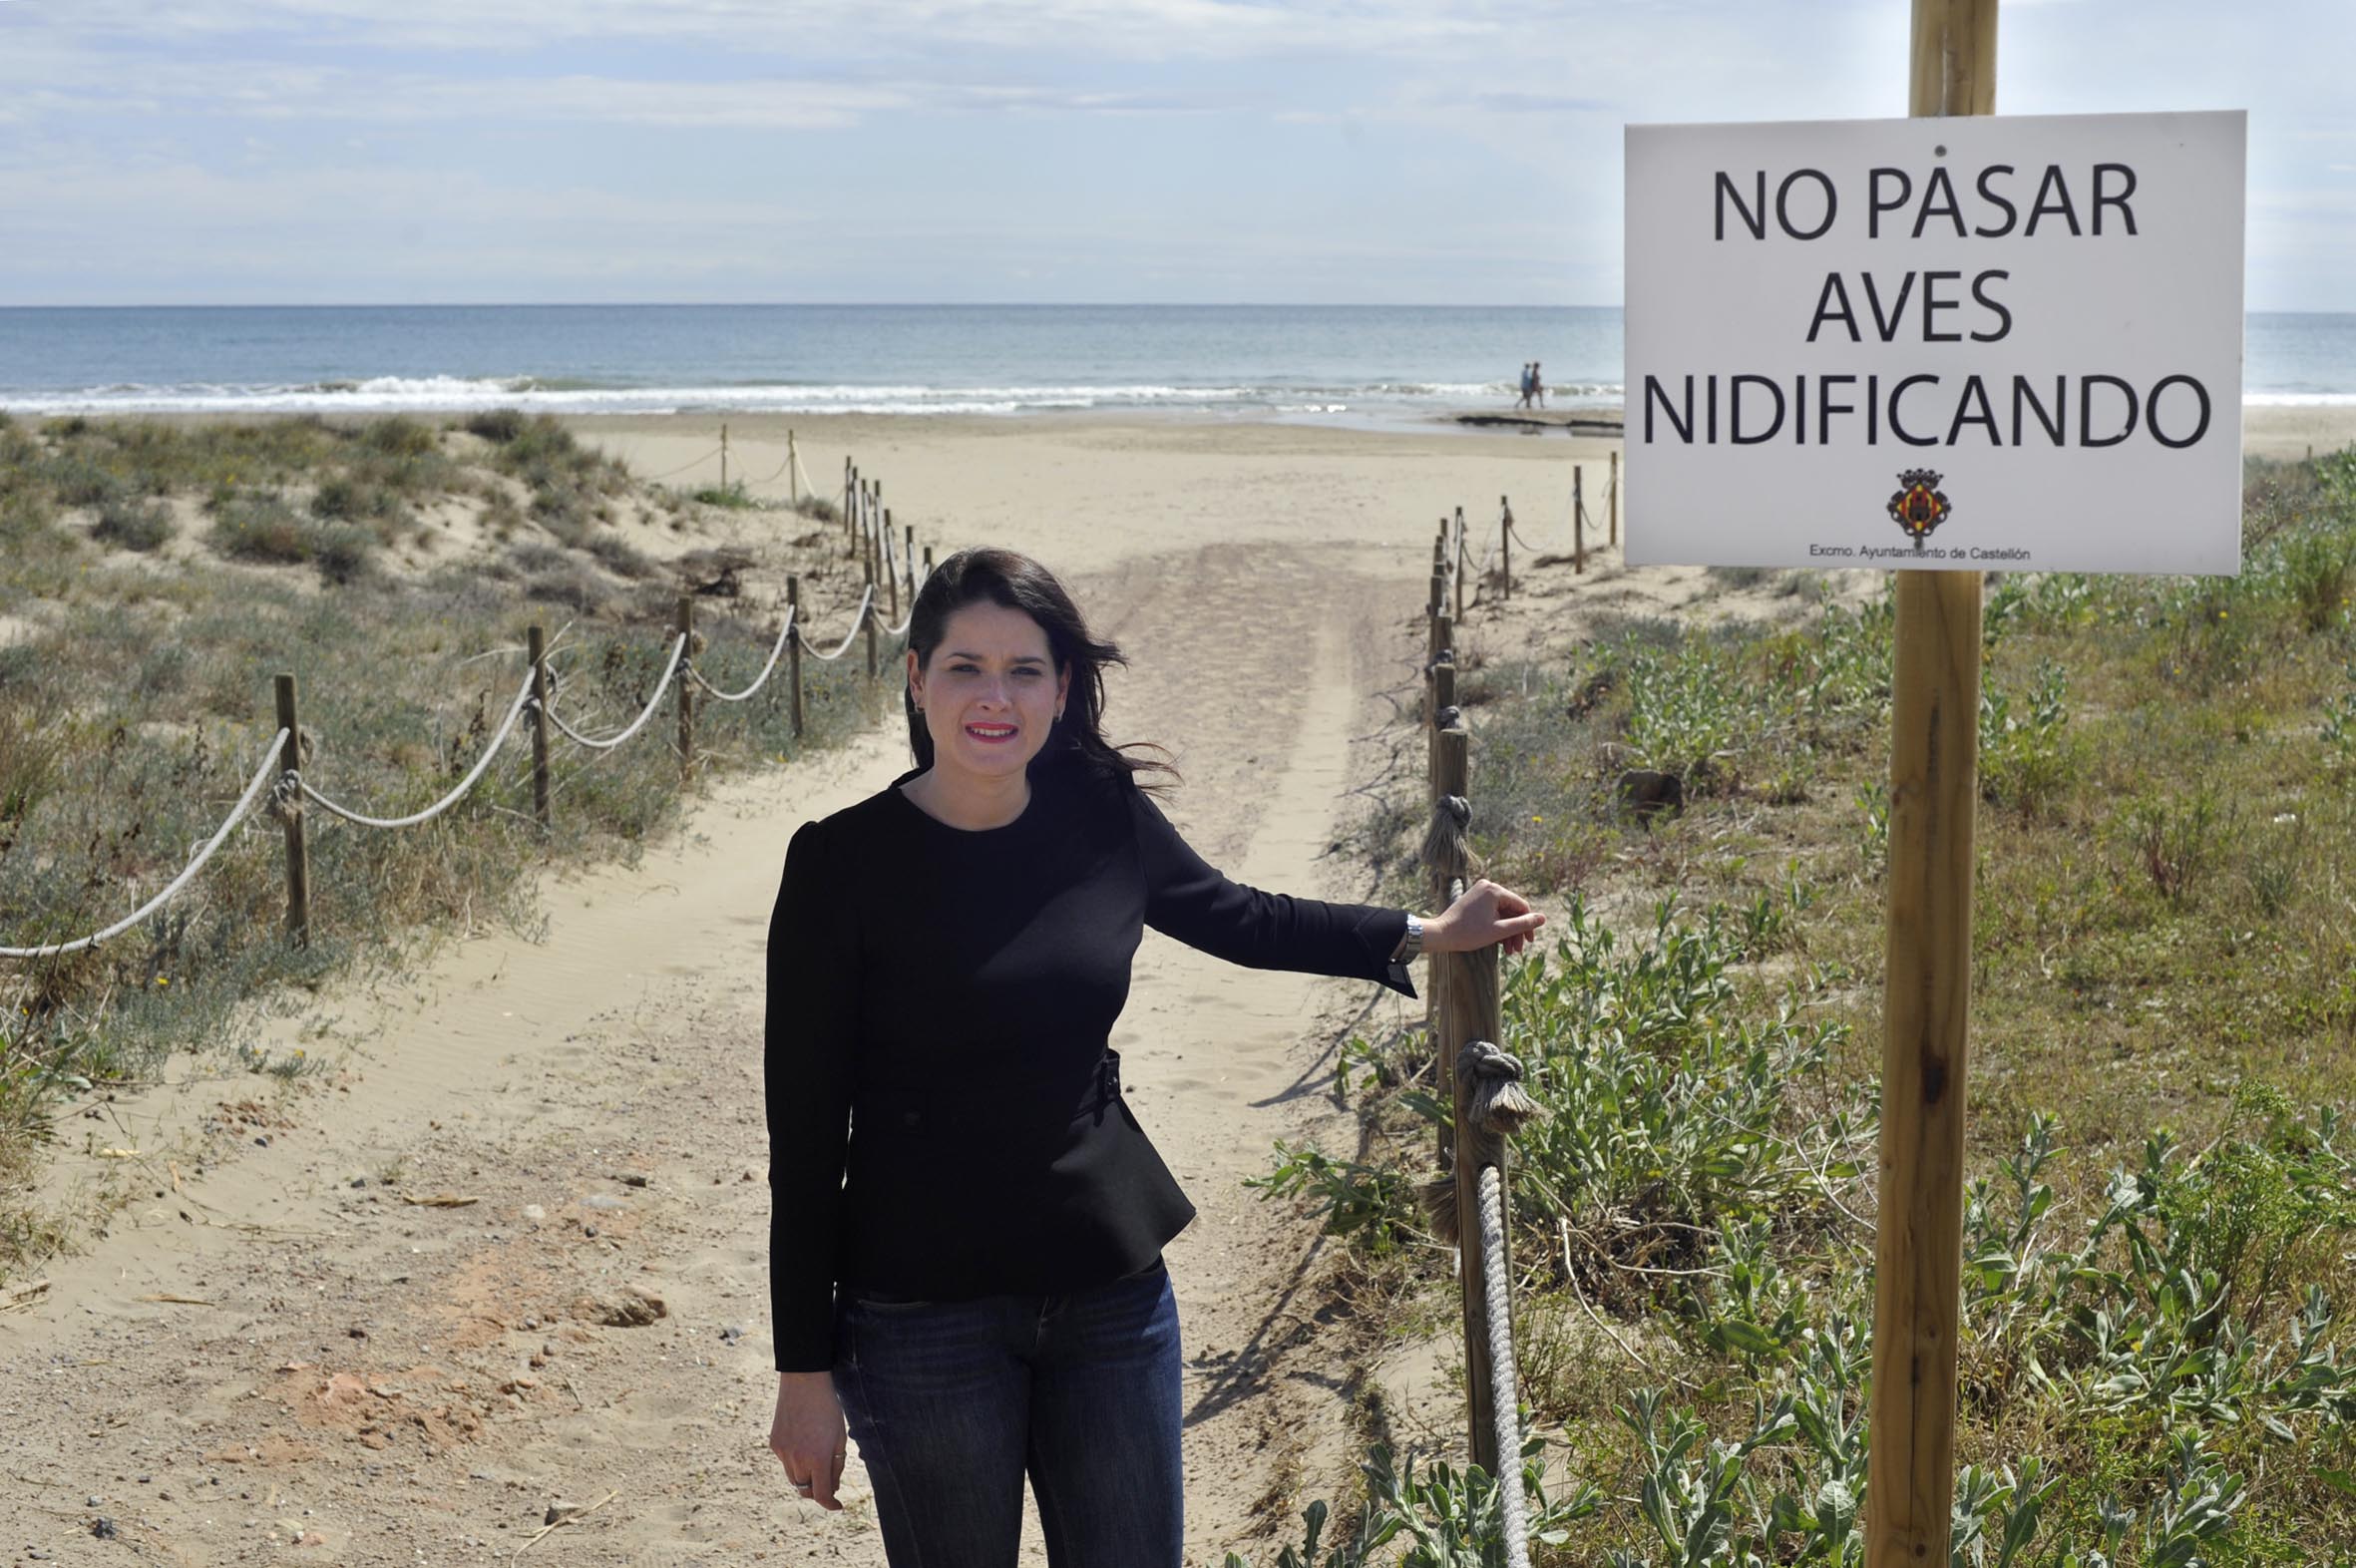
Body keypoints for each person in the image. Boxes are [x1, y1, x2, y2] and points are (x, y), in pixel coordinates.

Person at [763, 548, 1543, 1567]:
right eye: (964, 667)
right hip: (920, 1323)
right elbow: (808, 1134)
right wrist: (803, 1376)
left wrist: (1425, 932)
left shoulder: (1098, 816)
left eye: (1024, 670)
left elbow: (1236, 915)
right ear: (916, 679)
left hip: (1107, 1293)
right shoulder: (840, 863)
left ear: (1062, 687)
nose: (993, 697)